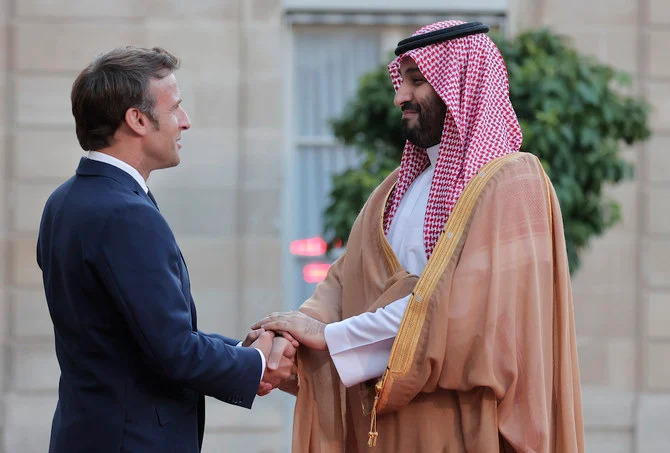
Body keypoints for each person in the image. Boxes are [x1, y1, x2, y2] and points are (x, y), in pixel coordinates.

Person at [253, 20, 585, 452]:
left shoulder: (512, 182)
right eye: (400, 81)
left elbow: (465, 309)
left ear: (461, 84)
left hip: (460, 426)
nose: (400, 97)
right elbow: (343, 281)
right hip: (385, 427)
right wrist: (287, 336)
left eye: (417, 81)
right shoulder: (394, 189)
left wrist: (332, 338)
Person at [37, 46, 294, 453]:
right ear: (137, 120)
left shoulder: (65, 200)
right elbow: (174, 352)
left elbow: (135, 334)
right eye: (175, 108)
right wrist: (258, 362)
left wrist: (239, 349)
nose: (185, 122)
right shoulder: (125, 213)